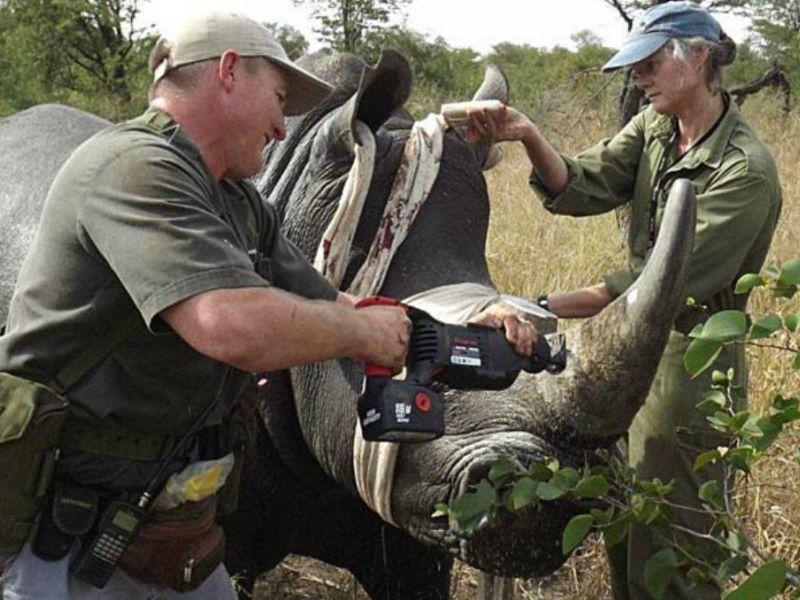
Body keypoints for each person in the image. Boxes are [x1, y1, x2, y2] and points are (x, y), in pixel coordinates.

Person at [0, 12, 415, 599]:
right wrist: (365, 336)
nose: (281, 128)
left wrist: (451, 327)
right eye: (278, 98)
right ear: (226, 72)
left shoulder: (236, 199)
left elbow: (331, 300)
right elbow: (231, 325)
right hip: (55, 529)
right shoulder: (134, 169)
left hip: (158, 526)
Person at [466, 2, 782, 598]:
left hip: (688, 365)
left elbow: (653, 289)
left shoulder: (745, 172)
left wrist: (540, 304)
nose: (638, 77)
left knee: (675, 547)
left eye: (651, 62)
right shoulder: (657, 127)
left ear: (699, 58)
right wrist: (528, 134)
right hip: (625, 352)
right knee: (623, 524)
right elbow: (583, 183)